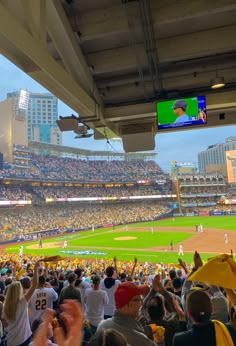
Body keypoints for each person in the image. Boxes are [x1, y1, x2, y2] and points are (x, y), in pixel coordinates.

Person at [3, 261, 40, 346]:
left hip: (11, 340)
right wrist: (35, 269)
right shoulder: (23, 301)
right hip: (23, 338)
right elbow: (34, 285)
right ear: (19, 291)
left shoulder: (5, 306)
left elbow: (5, 324)